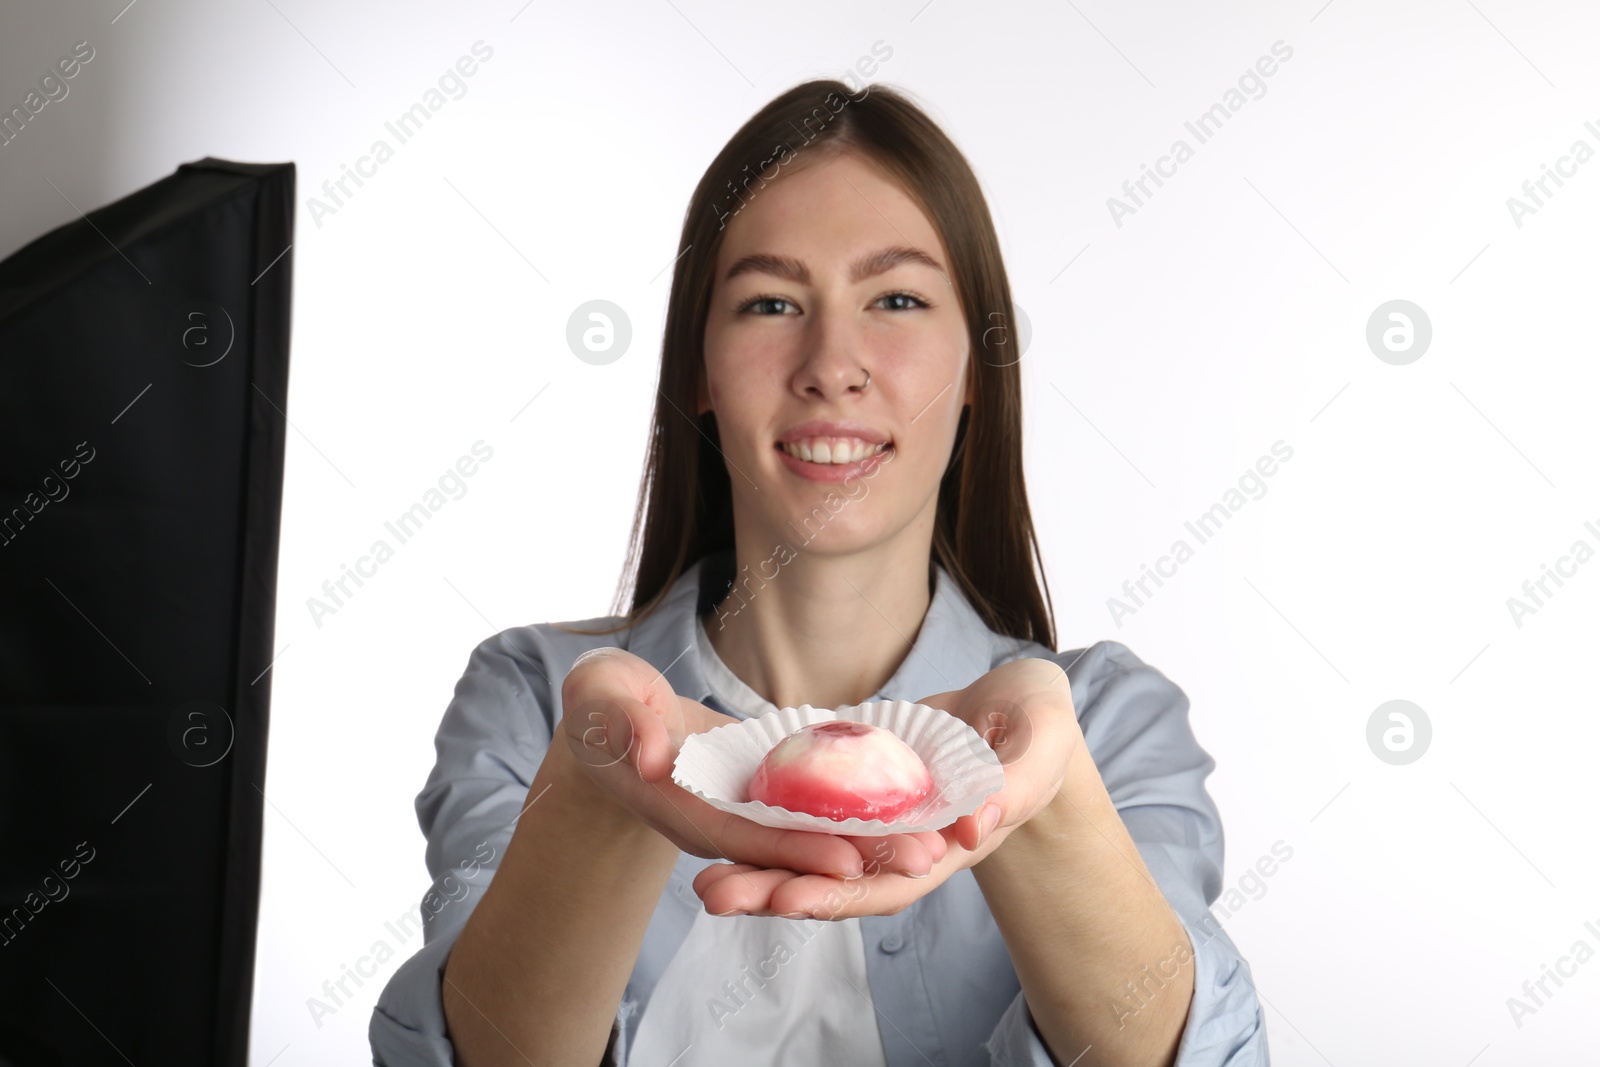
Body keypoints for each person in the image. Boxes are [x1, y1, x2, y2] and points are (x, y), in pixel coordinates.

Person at [370, 79, 1267, 1067]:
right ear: (700, 371)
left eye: (896, 298)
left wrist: (1042, 804)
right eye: (769, 301)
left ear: (976, 365)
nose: (831, 363)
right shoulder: (534, 698)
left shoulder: (1107, 720)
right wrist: (597, 785)